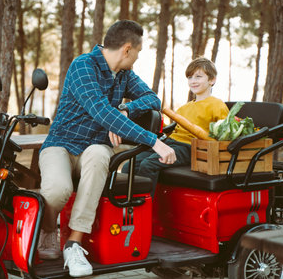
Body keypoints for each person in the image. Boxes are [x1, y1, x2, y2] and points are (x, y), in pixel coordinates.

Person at [37, 20, 176, 278]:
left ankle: (73, 244)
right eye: (137, 52)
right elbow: (101, 112)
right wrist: (154, 142)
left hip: (94, 148)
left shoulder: (124, 75)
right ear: (126, 49)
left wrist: (126, 108)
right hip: (61, 144)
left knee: (101, 154)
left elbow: (152, 98)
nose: (136, 57)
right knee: (58, 191)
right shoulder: (83, 66)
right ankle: (48, 229)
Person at [122, 57, 229, 193]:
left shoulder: (216, 105)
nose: (193, 81)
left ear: (212, 80)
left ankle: (145, 208)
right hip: (171, 143)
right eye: (190, 77)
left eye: (198, 76)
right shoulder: (184, 108)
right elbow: (173, 130)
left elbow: (224, 132)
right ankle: (127, 206)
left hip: (190, 148)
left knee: (148, 165)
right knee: (129, 165)